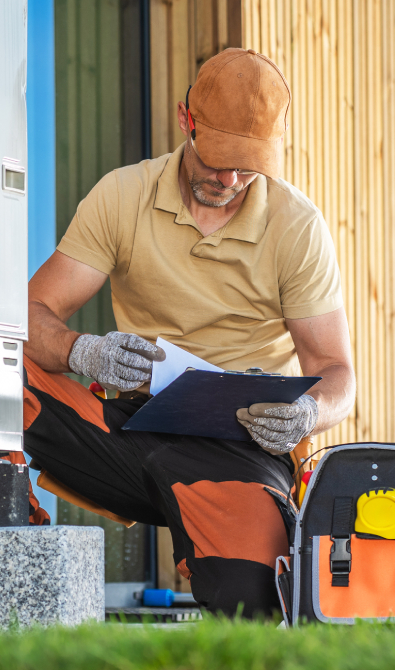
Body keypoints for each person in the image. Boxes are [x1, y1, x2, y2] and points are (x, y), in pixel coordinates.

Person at [21, 47, 356, 617]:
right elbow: (29, 313)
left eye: (247, 167)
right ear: (185, 121)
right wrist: (85, 352)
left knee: (254, 604)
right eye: (218, 158)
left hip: (241, 450)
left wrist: (307, 415)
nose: (228, 180)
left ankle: (209, 537)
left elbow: (337, 373)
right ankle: (10, 528)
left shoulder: (297, 225)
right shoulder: (123, 195)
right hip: (124, 430)